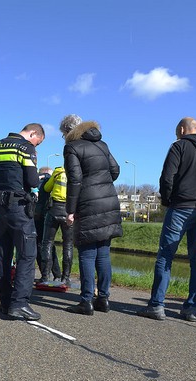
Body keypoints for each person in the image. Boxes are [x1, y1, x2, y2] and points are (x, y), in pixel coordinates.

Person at [140, 117, 196, 322]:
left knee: (165, 255)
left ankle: (157, 305)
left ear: (181, 129)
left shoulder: (179, 147)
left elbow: (167, 177)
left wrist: (168, 200)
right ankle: (191, 309)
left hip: (180, 207)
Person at [62, 114, 122, 315]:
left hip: (87, 202)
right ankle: (103, 298)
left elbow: (75, 180)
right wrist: (101, 181)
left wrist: (70, 209)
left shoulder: (72, 147)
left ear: (68, 131)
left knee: (87, 254)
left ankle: (86, 301)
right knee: (103, 253)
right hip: (108, 200)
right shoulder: (102, 144)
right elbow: (115, 171)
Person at [0, 123, 45, 321]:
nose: (37, 146)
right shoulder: (26, 148)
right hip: (18, 208)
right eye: (39, 142)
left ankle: (5, 302)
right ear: (33, 133)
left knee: (3, 255)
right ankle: (20, 304)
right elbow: (33, 181)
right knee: (27, 254)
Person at [40, 165, 73, 286]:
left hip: (53, 210)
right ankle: (66, 278)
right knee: (68, 245)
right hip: (68, 211)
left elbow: (46, 188)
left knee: (47, 243)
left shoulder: (58, 171)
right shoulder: (75, 173)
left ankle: (45, 277)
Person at [34, 167, 61, 282]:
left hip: (36, 217)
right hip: (52, 215)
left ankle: (44, 274)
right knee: (50, 245)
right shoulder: (54, 181)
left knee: (39, 246)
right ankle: (57, 274)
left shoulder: (37, 181)